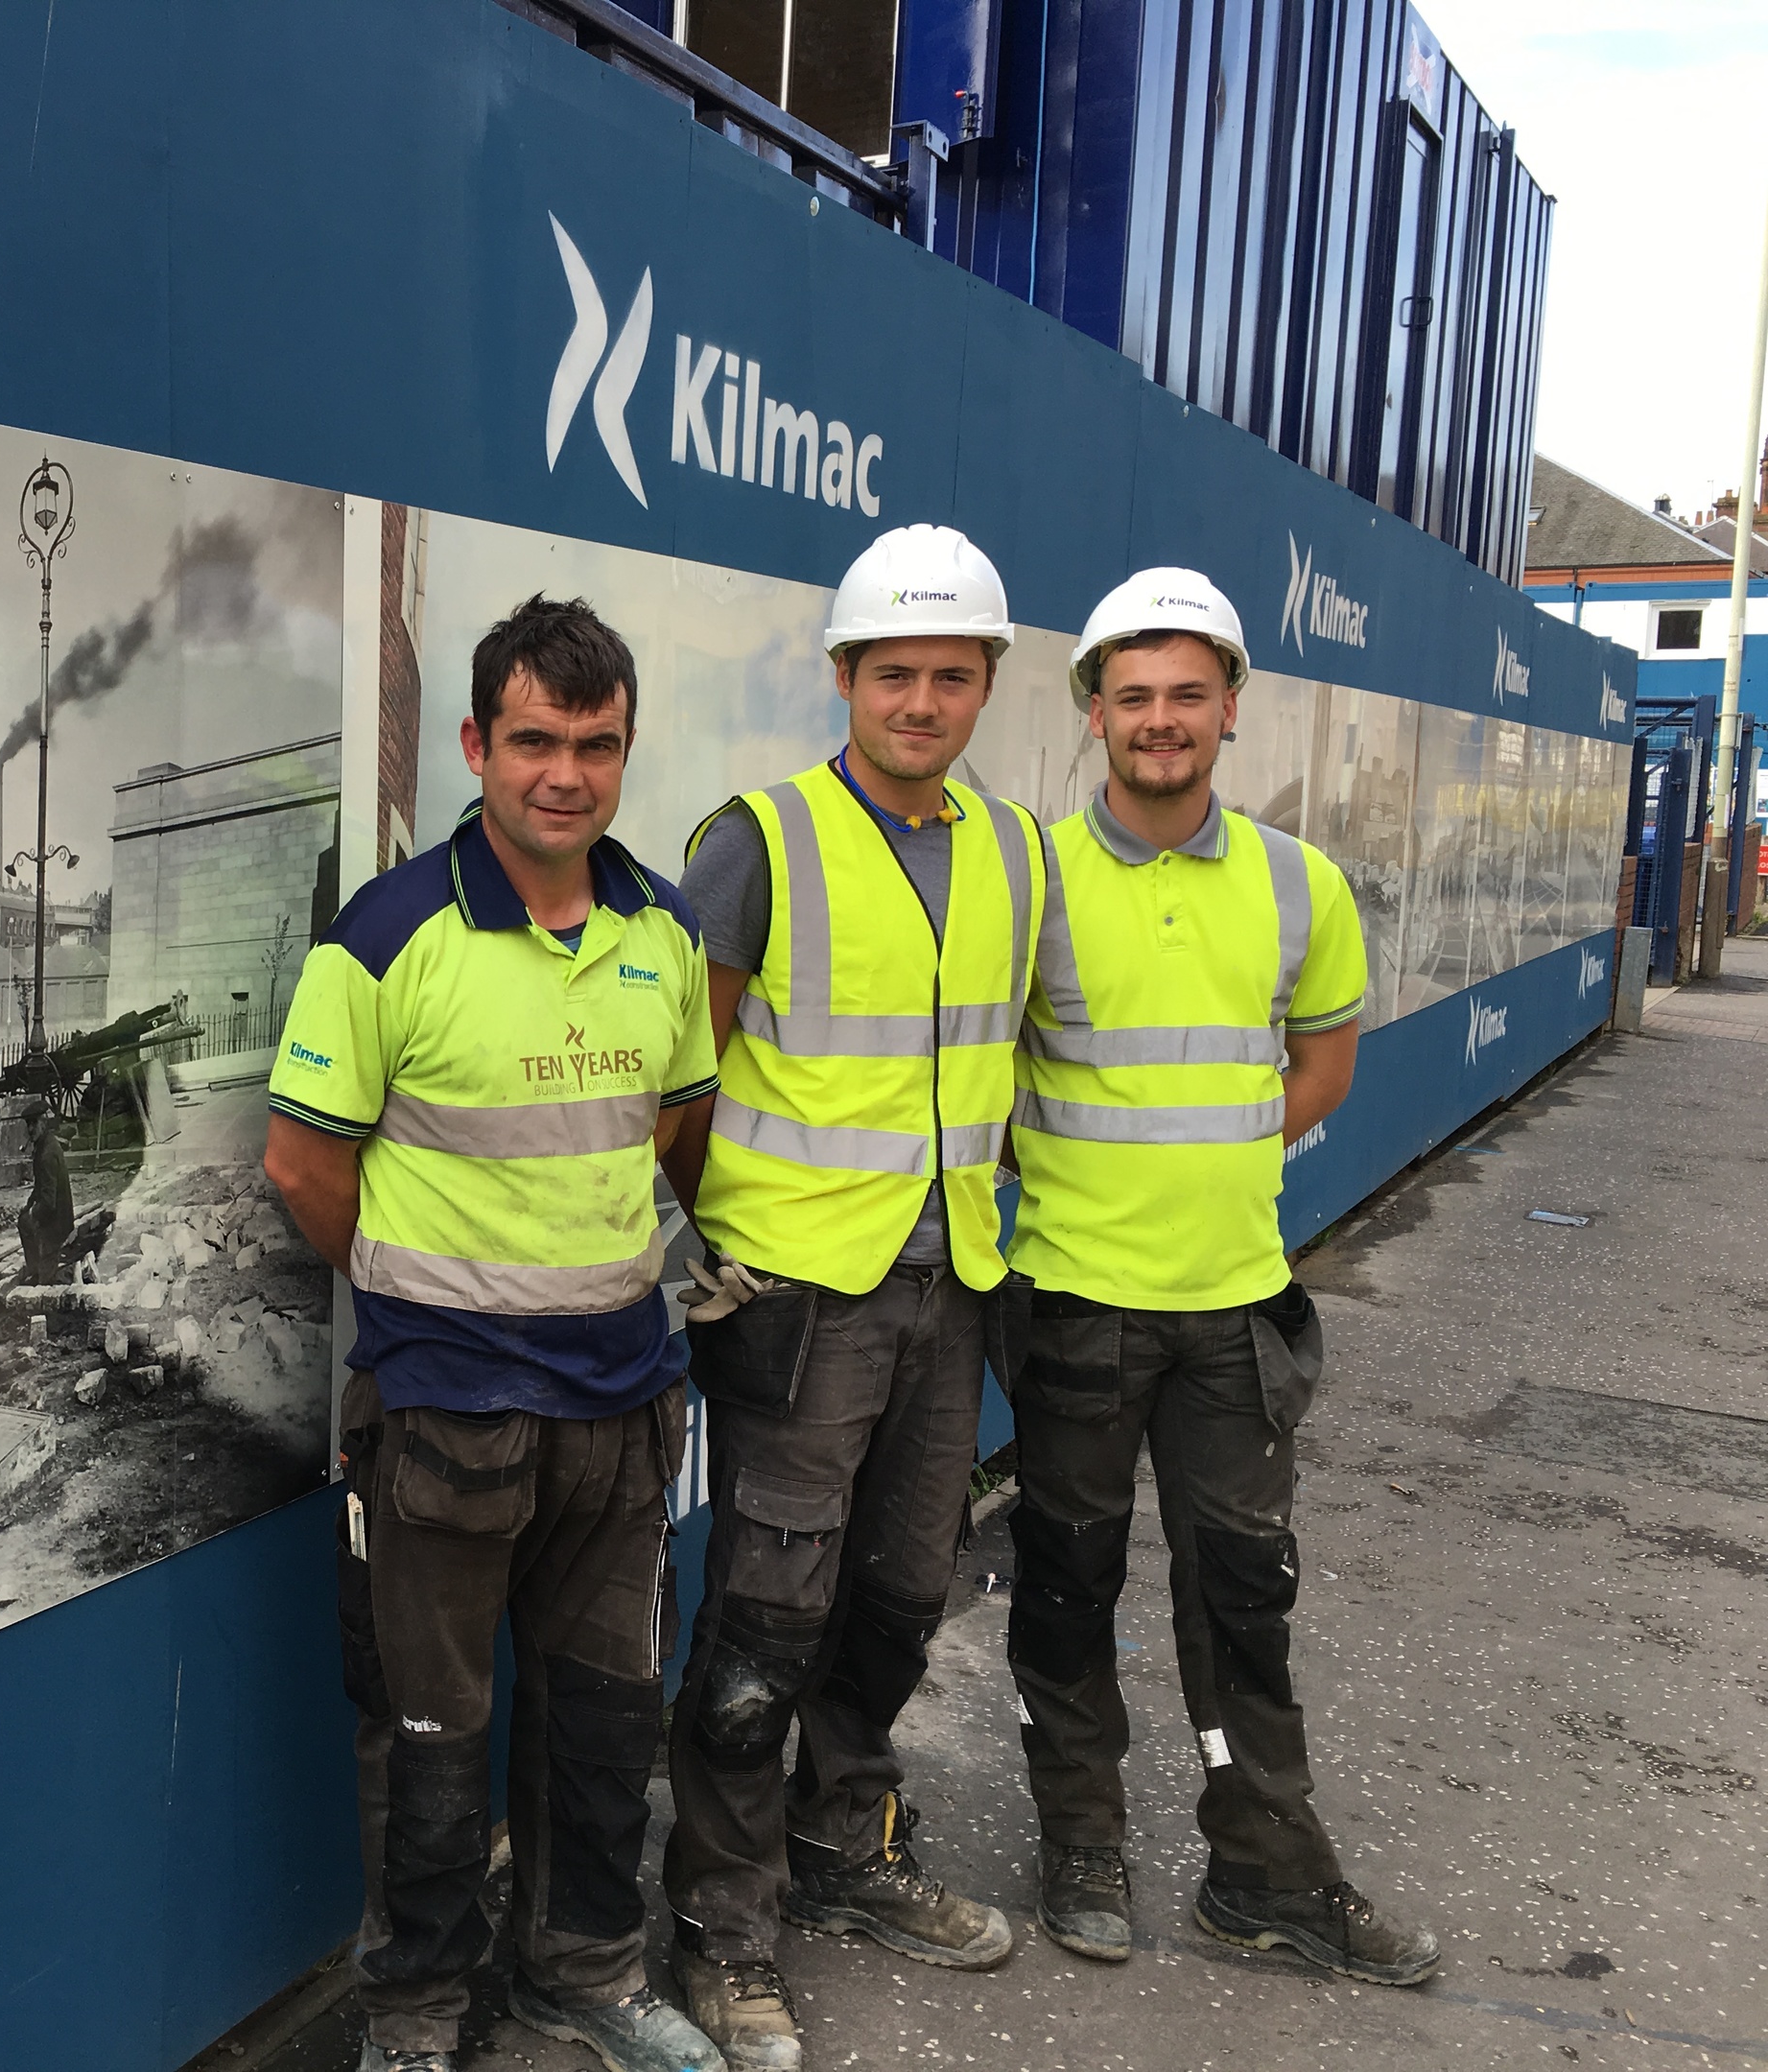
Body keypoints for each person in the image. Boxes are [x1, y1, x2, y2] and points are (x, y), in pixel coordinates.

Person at [265, 597, 723, 2072]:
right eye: (534, 741)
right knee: (430, 1741)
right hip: (448, 1424)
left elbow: (677, 1126)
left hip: (622, 1415)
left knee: (602, 1724)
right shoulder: (387, 937)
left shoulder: (660, 932)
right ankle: (415, 2020)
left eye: (595, 745)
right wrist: (428, 1305)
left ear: (624, 748)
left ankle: (584, 1973)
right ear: (478, 744)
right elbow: (303, 1166)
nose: (565, 776)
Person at [1002, 568, 1437, 1985]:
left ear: (1232, 708)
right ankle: (1081, 1842)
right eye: (1134, 695)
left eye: (1189, 693)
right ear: (1095, 713)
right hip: (1070, 1298)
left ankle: (1261, 1871)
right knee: (1066, 1583)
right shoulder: (1032, 879)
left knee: (1244, 1592)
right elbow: (988, 1076)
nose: (1162, 720)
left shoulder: (1299, 883)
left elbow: (1321, 1065)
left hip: (1233, 1311)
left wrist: (1210, 1165)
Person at [656, 526, 1037, 2069]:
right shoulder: (760, 838)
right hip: (800, 1302)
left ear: (988, 684)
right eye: (897, 673)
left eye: (953, 675)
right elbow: (677, 1070)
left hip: (949, 1291)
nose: (924, 700)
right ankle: (723, 1930)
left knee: (900, 1592)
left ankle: (842, 1841)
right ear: (845, 678)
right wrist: (684, 1247)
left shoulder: (1010, 848)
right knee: (765, 1619)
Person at [17, 1098, 74, 1285]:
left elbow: (48, 1203)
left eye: (34, 1123)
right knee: (23, 1221)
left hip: (56, 1222)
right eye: (28, 1124)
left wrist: (34, 1214)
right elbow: (40, 1186)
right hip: (55, 1215)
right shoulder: (44, 1145)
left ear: (43, 1122)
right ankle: (35, 1271)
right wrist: (28, 1208)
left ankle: (47, 1278)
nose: (30, 1129)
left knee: (46, 1284)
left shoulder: (47, 1154)